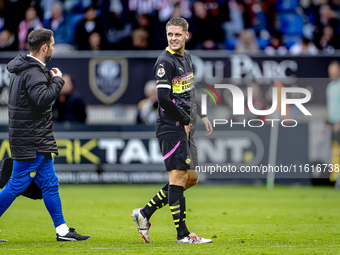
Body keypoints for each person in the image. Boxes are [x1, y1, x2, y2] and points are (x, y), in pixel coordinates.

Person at [0, 28, 90, 242]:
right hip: (32, 139)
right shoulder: (32, 72)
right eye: (52, 44)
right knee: (16, 184)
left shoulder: (27, 69)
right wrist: (58, 81)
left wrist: (50, 80)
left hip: (33, 137)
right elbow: (42, 100)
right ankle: (62, 230)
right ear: (44, 47)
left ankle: (62, 231)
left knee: (50, 183)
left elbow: (36, 99)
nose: (53, 47)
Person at [132, 17, 213, 244]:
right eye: (170, 34)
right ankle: (183, 235)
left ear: (187, 35)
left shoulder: (186, 57)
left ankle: (144, 213)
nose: (174, 38)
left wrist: (203, 114)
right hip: (172, 126)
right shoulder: (164, 62)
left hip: (186, 125)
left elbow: (191, 91)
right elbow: (164, 99)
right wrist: (185, 120)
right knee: (178, 179)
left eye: (178, 34)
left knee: (191, 178)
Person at [326, 61, 340, 185]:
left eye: (335, 69)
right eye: (331, 70)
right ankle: (337, 177)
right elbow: (330, 107)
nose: (332, 72)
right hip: (333, 124)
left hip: (338, 123)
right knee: (335, 151)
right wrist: (327, 124)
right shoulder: (330, 87)